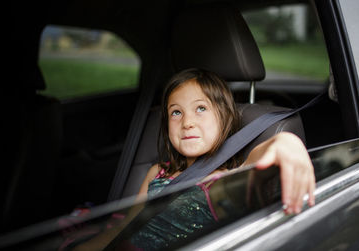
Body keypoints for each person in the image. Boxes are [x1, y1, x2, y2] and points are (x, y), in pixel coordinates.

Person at [74, 68, 315, 251]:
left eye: (201, 108)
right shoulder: (158, 172)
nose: (187, 122)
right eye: (176, 112)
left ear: (225, 118)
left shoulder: (222, 181)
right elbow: (125, 227)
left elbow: (257, 159)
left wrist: (285, 142)